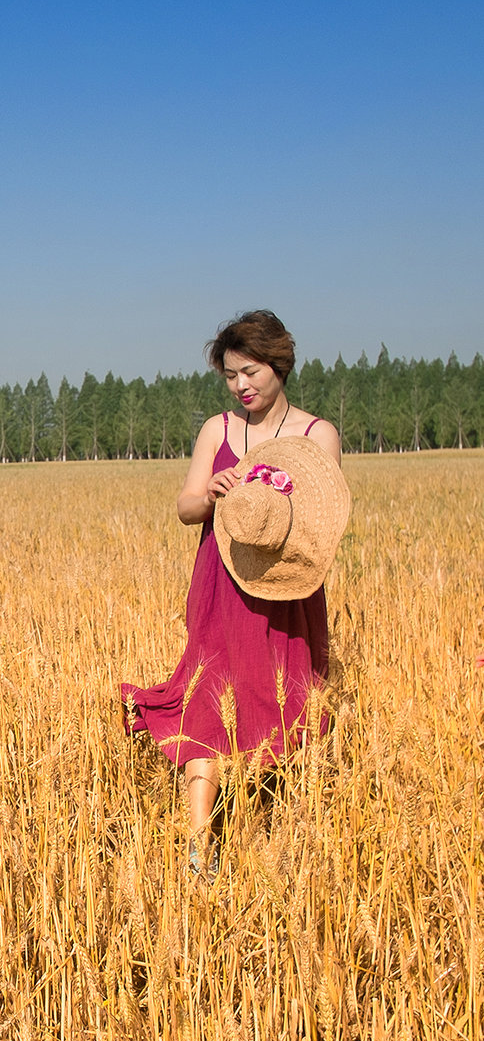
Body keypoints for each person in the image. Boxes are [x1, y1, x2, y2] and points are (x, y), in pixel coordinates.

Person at [120, 309, 346, 873]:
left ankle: (286, 836)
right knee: (207, 697)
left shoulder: (318, 435)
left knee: (285, 699)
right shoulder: (218, 431)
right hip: (221, 582)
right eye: (230, 376)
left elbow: (321, 518)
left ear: (279, 365)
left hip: (287, 587)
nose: (241, 386)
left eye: (250, 372)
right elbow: (185, 507)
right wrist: (215, 495)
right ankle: (200, 845)